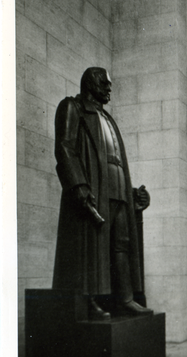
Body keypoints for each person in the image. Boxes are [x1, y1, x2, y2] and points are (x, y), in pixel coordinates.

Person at [52, 67, 150, 320]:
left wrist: (132, 196)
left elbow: (113, 162)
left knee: (121, 244)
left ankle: (125, 299)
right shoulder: (72, 107)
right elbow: (64, 148)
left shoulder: (108, 118)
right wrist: (79, 186)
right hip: (92, 190)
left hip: (116, 191)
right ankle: (89, 301)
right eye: (105, 84)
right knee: (90, 246)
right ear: (90, 83)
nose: (109, 88)